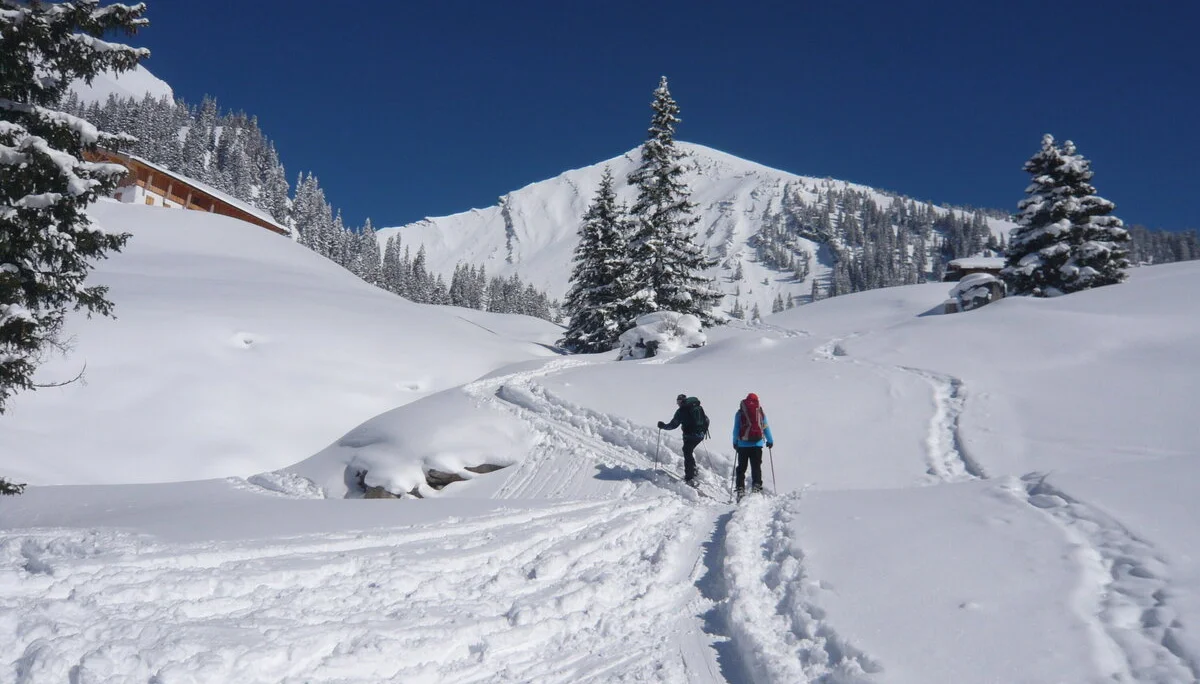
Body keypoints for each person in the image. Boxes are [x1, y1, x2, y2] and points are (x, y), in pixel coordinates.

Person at [657, 393, 709, 486]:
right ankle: (693, 470)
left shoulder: (681, 412)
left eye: (678, 402)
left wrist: (663, 426)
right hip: (700, 435)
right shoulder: (696, 406)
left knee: (687, 452)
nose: (678, 404)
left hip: (690, 436)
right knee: (689, 450)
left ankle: (689, 477)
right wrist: (702, 431)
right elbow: (706, 419)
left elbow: (673, 425)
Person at [732, 392, 774, 500]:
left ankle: (740, 489)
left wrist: (735, 442)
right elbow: (765, 427)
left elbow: (736, 429)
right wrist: (770, 440)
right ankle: (756, 487)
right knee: (756, 467)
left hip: (742, 445)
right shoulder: (760, 412)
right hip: (757, 444)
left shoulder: (740, 412)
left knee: (741, 468)